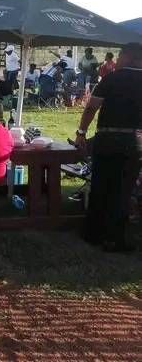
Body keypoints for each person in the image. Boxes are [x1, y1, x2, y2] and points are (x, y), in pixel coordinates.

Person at [75, 43, 142, 252]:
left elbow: (91, 107)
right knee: (122, 190)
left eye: (121, 55)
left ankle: (93, 234)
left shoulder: (111, 78)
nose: (117, 59)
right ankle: (115, 238)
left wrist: (82, 132)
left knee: (100, 185)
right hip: (133, 140)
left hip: (106, 137)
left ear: (130, 58)